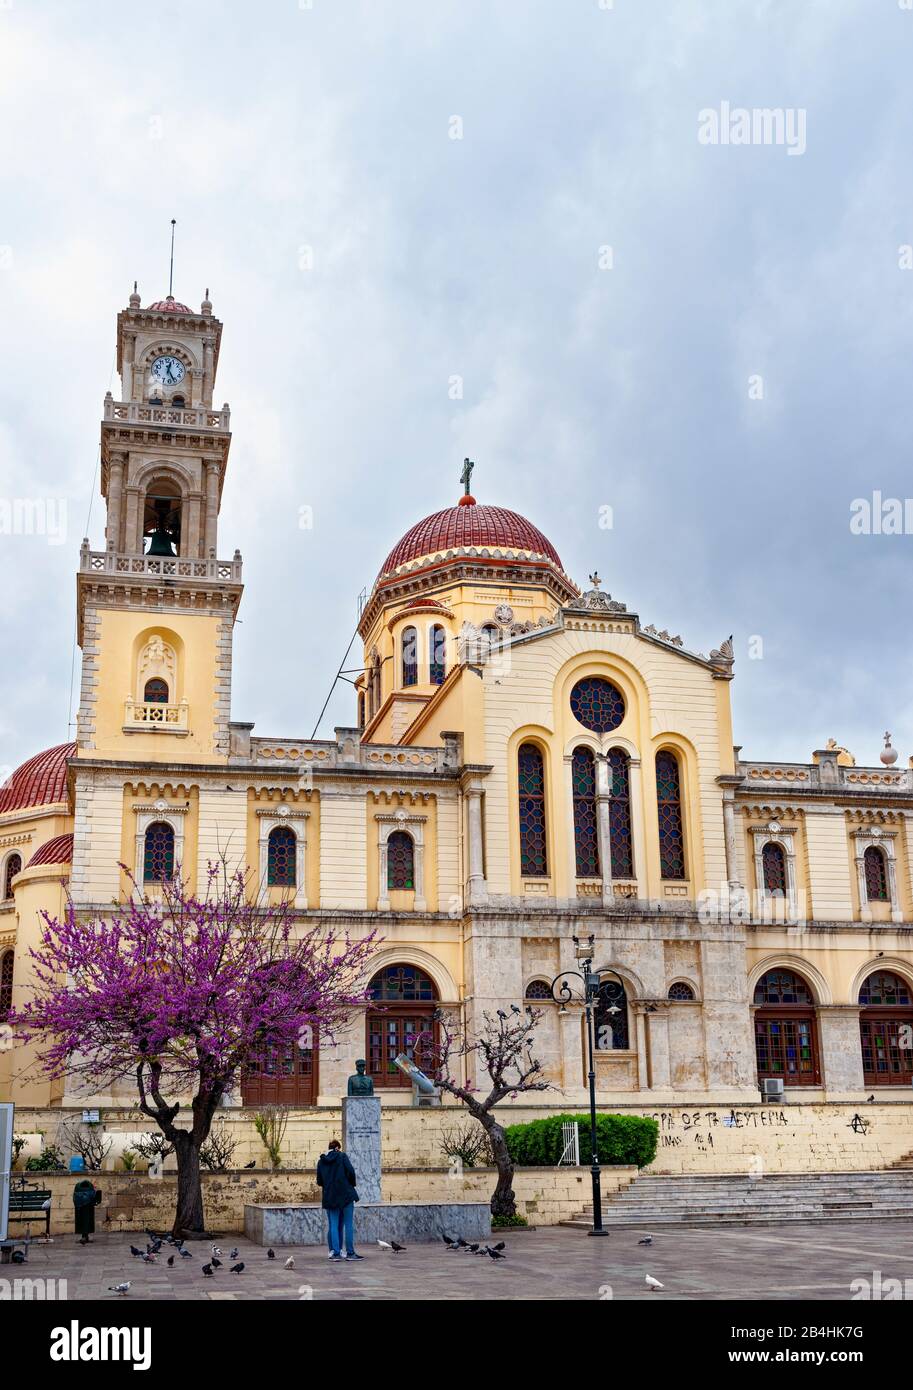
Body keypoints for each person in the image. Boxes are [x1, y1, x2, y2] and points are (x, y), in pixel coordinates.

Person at [316, 1139, 363, 1261]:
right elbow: (351, 1172)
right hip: (346, 1195)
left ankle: (336, 1253)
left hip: (330, 1197)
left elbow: (319, 1181)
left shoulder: (321, 1162)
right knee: (348, 1225)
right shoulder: (342, 1156)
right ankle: (350, 1253)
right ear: (337, 1148)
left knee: (333, 1225)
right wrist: (349, 1184)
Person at [73, 1177, 101, 1245]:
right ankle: (85, 1236)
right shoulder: (89, 1189)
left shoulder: (78, 1188)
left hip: (80, 1206)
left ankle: (84, 1236)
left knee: (83, 1218)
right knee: (86, 1218)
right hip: (88, 1206)